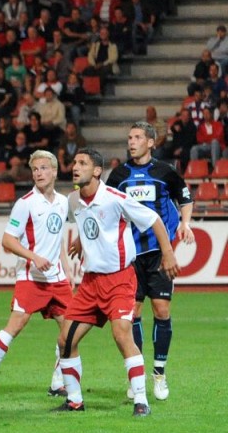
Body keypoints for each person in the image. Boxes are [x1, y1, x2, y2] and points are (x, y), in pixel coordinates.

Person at [56, 148, 180, 416]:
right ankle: (74, 401)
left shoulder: (115, 198)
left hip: (120, 280)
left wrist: (168, 253)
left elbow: (154, 219)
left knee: (122, 334)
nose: (75, 167)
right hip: (90, 283)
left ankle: (141, 401)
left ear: (97, 171)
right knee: (65, 339)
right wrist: (81, 239)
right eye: (74, 162)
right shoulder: (74, 200)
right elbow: (89, 221)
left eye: (82, 163)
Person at [0, 150, 73, 400]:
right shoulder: (25, 203)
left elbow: (58, 238)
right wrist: (33, 257)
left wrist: (67, 268)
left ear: (54, 171)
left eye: (43, 168)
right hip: (31, 277)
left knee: (70, 329)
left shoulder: (63, 202)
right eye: (35, 169)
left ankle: (57, 383)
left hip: (57, 279)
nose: (38, 173)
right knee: (15, 326)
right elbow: (8, 240)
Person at [105, 122, 194, 401]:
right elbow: (104, 206)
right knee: (132, 313)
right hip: (131, 254)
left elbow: (185, 197)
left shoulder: (165, 171)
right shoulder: (118, 175)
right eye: (129, 137)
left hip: (159, 252)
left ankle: (159, 373)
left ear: (151, 142)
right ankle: (137, 374)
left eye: (137, 137)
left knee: (162, 310)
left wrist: (186, 223)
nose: (131, 142)